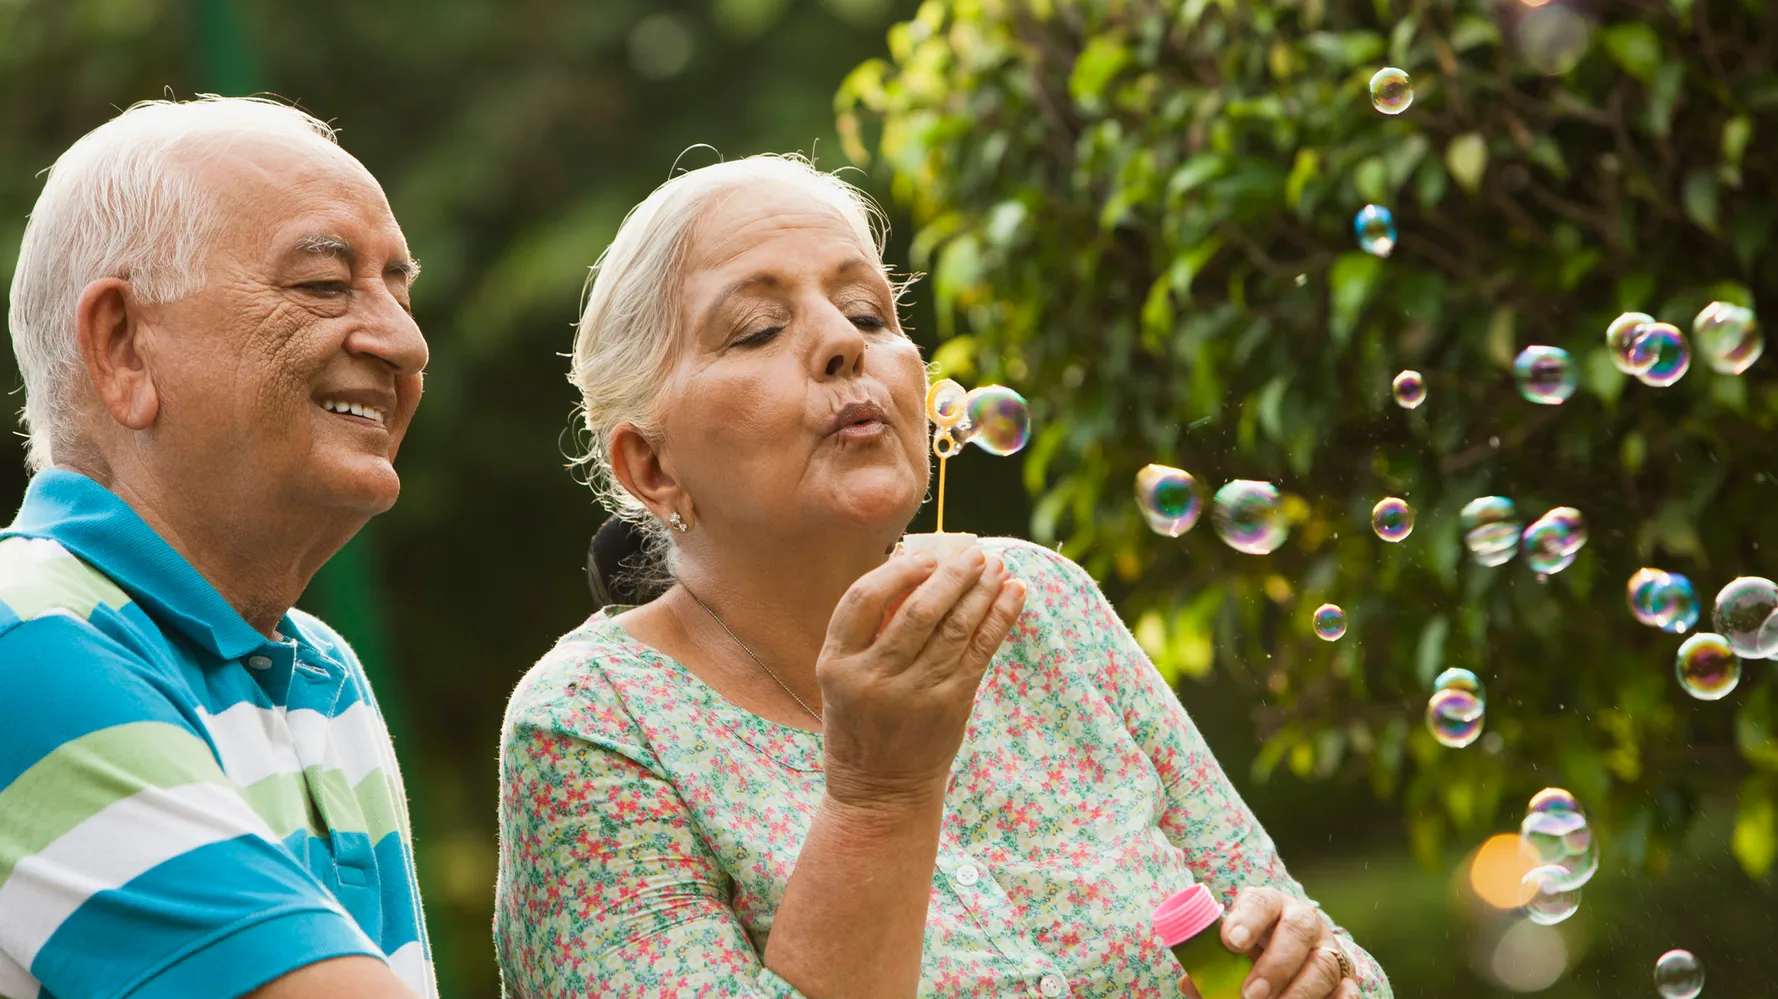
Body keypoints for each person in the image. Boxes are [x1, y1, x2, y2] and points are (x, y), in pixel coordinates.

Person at [495, 154, 1394, 999]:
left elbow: (1308, 938)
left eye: (870, 313)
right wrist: (877, 790)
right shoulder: (593, 725)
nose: (845, 343)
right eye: (759, 328)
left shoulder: (1038, 603)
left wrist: (1311, 965)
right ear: (652, 466)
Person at [0, 97, 434, 999]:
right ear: (122, 346)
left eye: (401, 286)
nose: (404, 340)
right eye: (324, 285)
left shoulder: (323, 672)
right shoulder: (22, 632)